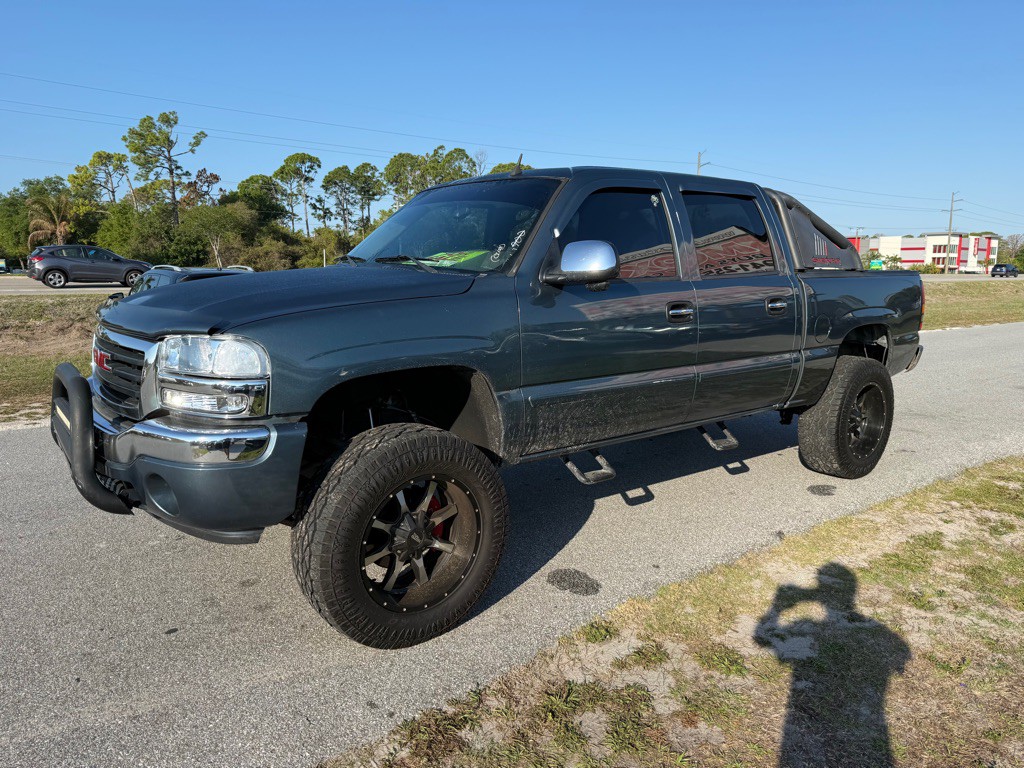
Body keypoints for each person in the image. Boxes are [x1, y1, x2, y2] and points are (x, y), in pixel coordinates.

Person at [755, 562, 910, 767]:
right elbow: (900, 658)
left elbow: (762, 638)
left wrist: (777, 607)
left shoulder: (809, 628)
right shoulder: (883, 635)